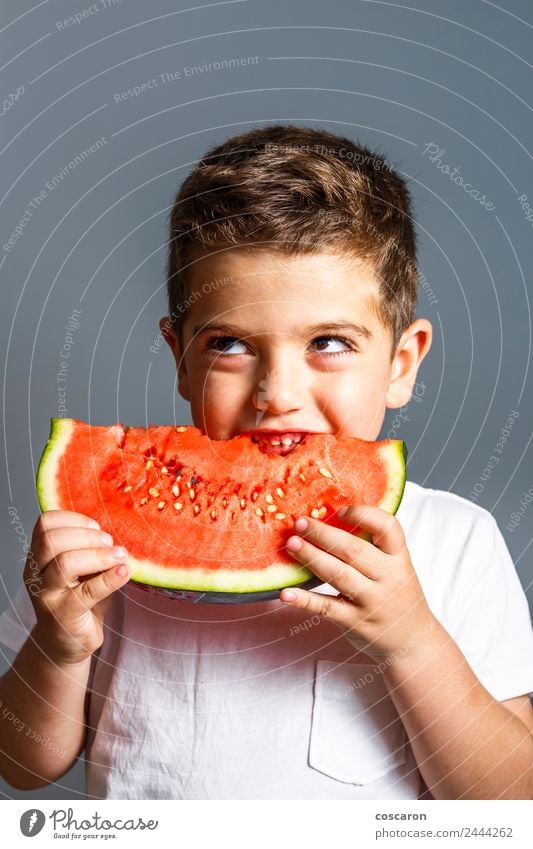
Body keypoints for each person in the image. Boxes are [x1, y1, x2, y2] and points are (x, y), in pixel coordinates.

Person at [1, 124, 532, 800]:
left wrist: (412, 641)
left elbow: (513, 799)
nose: (276, 394)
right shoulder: (104, 551)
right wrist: (61, 645)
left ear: (400, 363)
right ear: (180, 360)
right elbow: (22, 762)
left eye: (329, 342)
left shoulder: (454, 540)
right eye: (229, 343)